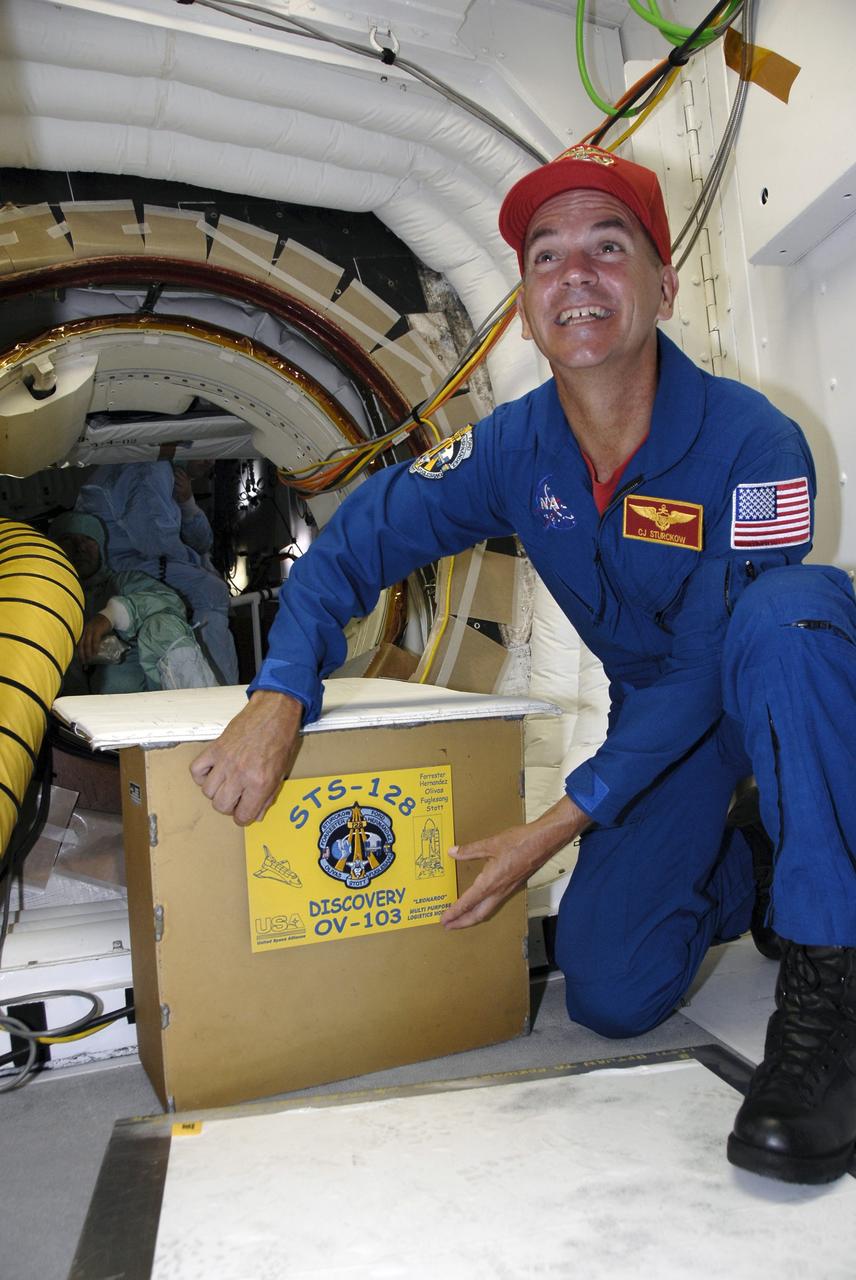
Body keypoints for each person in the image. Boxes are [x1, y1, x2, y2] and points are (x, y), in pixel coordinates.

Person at [189, 145, 856, 1186]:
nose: (574, 274)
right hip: (660, 730)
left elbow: (702, 662)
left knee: (789, 613)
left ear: (663, 283)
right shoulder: (514, 451)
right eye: (546, 256)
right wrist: (279, 689)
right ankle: (752, 867)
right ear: (527, 301)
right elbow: (354, 544)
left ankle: (832, 984)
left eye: (607, 245)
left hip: (763, 689)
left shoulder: (753, 441)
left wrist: (556, 822)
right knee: (608, 989)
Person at [75, 460, 239, 684]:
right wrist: (193, 566)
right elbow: (155, 541)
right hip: (127, 568)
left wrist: (188, 502)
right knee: (206, 595)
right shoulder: (145, 470)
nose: (208, 461)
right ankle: (223, 690)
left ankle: (218, 691)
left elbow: (202, 542)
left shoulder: (168, 478)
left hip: (144, 569)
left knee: (208, 592)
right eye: (202, 454)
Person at [49, 511, 217, 694]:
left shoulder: (125, 583)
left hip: (142, 706)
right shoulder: (44, 598)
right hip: (69, 711)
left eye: (88, 539)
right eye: (68, 540)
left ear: (101, 547)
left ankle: (199, 706)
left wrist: (112, 615)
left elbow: (170, 602)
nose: (80, 548)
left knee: (163, 624)